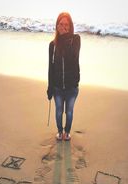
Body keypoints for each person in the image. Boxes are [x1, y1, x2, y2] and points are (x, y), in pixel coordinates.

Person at [47, 12, 81, 141]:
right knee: (59, 111)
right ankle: (60, 132)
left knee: (69, 112)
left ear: (70, 26)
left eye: (66, 24)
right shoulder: (52, 45)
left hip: (72, 87)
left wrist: (65, 36)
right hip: (57, 87)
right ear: (57, 25)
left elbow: (73, 57)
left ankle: (67, 132)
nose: (63, 26)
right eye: (61, 24)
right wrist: (50, 86)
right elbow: (50, 67)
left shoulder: (76, 39)